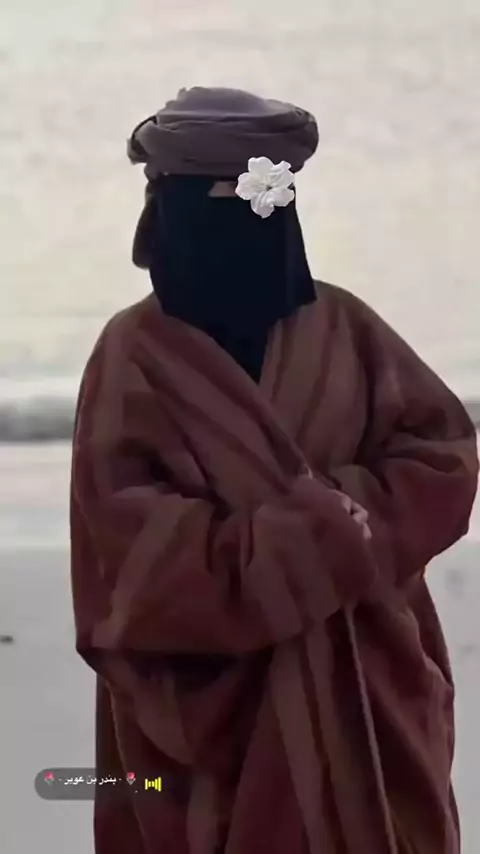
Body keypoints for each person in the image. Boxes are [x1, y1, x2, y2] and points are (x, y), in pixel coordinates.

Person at [69, 86, 478, 854]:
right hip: (207, 711)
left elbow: (441, 456)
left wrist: (354, 519)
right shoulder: (133, 353)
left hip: (368, 697)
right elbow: (121, 548)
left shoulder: (348, 328)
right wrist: (299, 542)